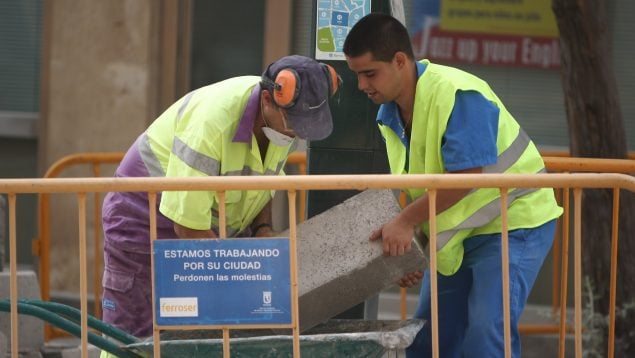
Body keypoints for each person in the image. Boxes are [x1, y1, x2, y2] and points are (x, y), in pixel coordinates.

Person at [343, 13, 563, 357]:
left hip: (512, 222)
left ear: (400, 61)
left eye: (370, 73)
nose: (362, 85)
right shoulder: (389, 115)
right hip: (460, 233)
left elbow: (465, 180)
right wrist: (411, 251)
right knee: (429, 340)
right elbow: (423, 188)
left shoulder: (458, 93)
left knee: (486, 334)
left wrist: (405, 222)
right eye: (357, 75)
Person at [100, 55, 341, 338]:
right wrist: (229, 275)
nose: (299, 133)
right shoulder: (211, 125)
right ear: (267, 99)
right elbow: (187, 224)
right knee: (136, 337)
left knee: (210, 334)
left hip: (211, 228)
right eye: (294, 124)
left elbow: (262, 181)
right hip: (143, 222)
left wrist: (261, 228)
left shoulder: (283, 122)